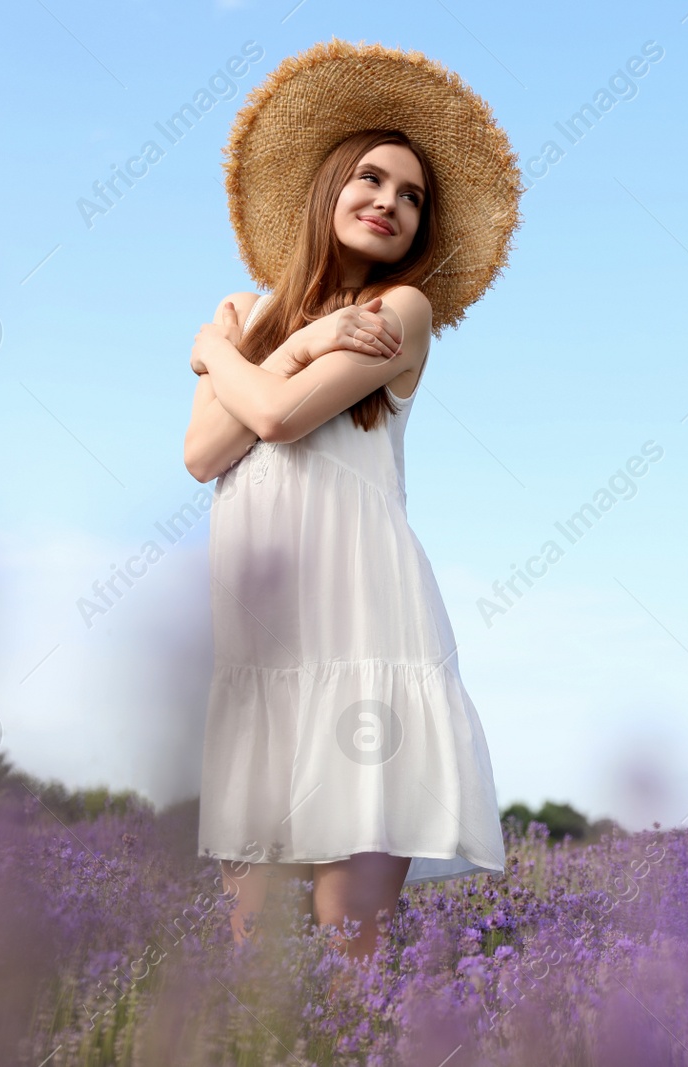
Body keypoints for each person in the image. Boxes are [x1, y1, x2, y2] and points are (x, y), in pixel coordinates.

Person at [182, 39, 524, 961]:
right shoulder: (255, 312)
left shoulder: (398, 313)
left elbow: (280, 419)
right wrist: (286, 341)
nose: (391, 203)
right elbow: (203, 451)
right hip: (267, 640)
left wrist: (219, 355)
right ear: (328, 190)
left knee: (352, 939)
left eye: (412, 197)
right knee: (251, 945)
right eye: (372, 180)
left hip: (364, 630)